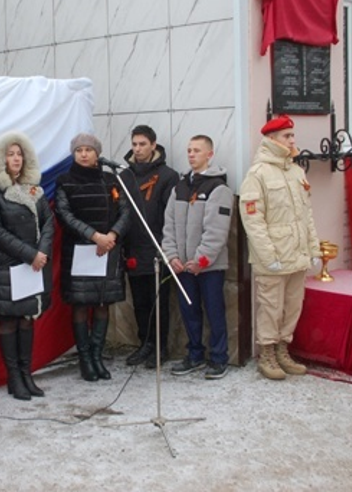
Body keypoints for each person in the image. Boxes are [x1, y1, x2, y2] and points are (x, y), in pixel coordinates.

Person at [238, 115, 321, 381]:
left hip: (296, 255)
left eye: (292, 136)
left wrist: (314, 249)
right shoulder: (258, 174)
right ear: (272, 140)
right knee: (270, 307)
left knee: (292, 306)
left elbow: (306, 215)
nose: (292, 141)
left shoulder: (296, 171)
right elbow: (253, 219)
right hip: (273, 257)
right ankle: (268, 353)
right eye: (287, 137)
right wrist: (268, 255)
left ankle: (284, 349)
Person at [0, 131, 55, 401]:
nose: (16, 158)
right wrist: (29, 254)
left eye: (19, 154)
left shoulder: (35, 190)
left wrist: (41, 252)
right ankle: (14, 378)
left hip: (33, 265)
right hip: (6, 268)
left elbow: (48, 223)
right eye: (10, 154)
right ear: (1, 159)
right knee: (9, 321)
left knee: (27, 319)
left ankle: (26, 374)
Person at [56, 132, 132, 381]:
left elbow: (125, 210)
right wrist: (94, 236)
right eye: (79, 150)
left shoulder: (110, 179)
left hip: (107, 249)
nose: (84, 154)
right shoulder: (65, 181)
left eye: (88, 150)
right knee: (81, 304)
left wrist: (112, 235)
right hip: (80, 250)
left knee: (102, 303)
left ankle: (98, 357)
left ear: (97, 154)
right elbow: (65, 215)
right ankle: (85, 359)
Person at [162, 135, 233, 380]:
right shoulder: (179, 188)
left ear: (209, 155)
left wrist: (201, 260)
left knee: (214, 311)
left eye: (197, 150)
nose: (191, 154)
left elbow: (216, 232)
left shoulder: (218, 189)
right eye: (189, 150)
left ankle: (218, 357)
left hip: (208, 267)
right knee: (189, 312)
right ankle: (194, 354)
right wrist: (171, 256)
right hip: (182, 267)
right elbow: (168, 226)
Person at [120, 125, 180, 369]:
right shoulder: (124, 176)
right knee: (140, 301)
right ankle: (144, 343)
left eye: (143, 144)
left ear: (154, 145)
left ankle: (160, 346)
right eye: (134, 144)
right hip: (133, 248)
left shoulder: (168, 176)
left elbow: (170, 214)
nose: (138, 149)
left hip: (157, 247)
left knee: (159, 302)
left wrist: (166, 246)